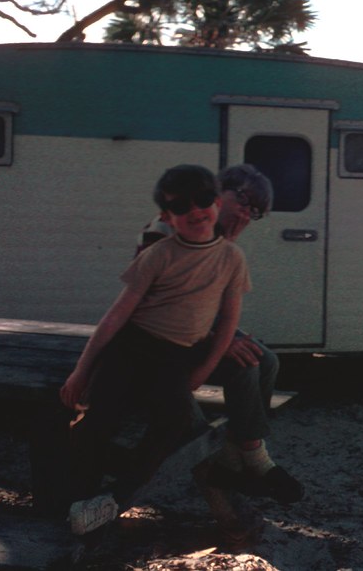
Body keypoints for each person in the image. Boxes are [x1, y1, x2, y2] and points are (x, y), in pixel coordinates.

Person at [60, 164, 251, 535]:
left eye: (203, 200)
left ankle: (112, 499)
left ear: (217, 201)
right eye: (181, 206)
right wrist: (82, 370)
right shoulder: (159, 254)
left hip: (175, 356)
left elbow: (228, 322)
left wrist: (201, 370)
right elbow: (117, 316)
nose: (195, 211)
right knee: (98, 419)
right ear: (167, 216)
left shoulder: (231, 258)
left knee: (175, 422)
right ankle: (76, 502)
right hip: (130, 347)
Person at [137, 164, 303, 505]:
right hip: (157, 336)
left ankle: (233, 451)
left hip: (191, 325)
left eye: (254, 210)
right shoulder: (169, 225)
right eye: (244, 200)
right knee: (244, 365)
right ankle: (254, 457)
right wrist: (220, 339)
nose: (246, 212)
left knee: (267, 360)